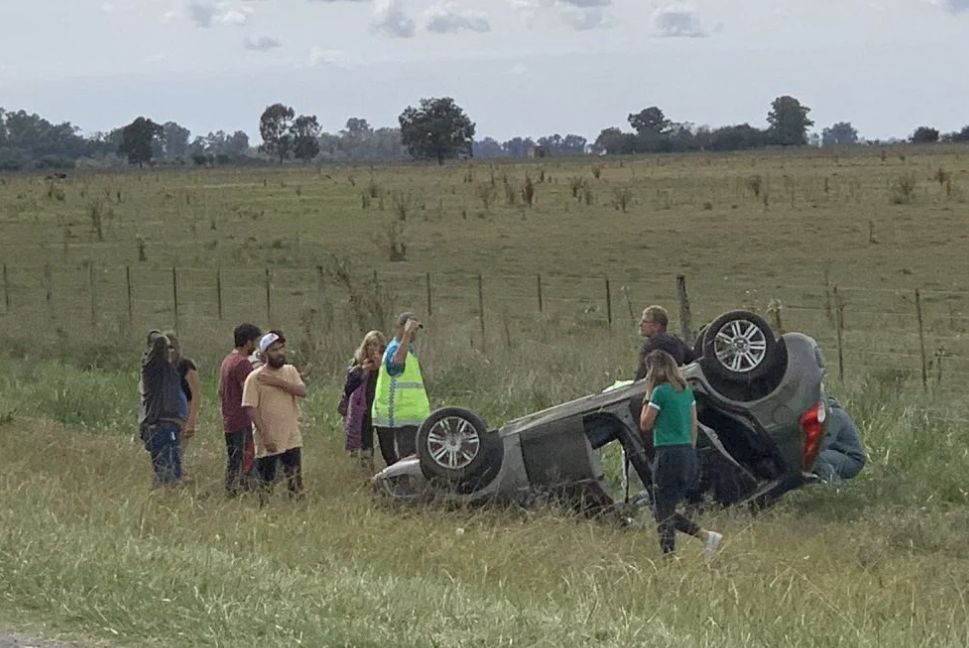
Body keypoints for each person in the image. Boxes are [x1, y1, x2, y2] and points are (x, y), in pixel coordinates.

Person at [639, 349, 722, 557]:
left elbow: (645, 424)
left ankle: (683, 547)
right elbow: (693, 425)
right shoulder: (685, 392)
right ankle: (699, 539)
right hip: (687, 452)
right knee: (667, 508)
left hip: (668, 453)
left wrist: (646, 396)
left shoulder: (659, 392)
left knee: (662, 510)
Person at [242, 330, 307, 500]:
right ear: (265, 354)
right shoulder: (254, 378)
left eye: (281, 349)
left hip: (291, 437)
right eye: (274, 350)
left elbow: (302, 391)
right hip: (268, 440)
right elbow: (250, 408)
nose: (279, 353)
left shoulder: (290, 371)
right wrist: (265, 435)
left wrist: (276, 382)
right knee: (266, 485)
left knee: (295, 482)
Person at [372, 312, 431, 464]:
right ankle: (402, 486)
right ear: (401, 328)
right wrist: (405, 336)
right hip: (399, 415)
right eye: (412, 329)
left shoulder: (408, 350)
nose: (414, 334)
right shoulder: (395, 349)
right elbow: (396, 366)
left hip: (411, 415)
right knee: (407, 460)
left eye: (415, 331)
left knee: (413, 458)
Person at [218, 323, 262, 496]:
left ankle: (231, 491)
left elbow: (220, 390)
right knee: (245, 459)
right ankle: (240, 491)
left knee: (234, 459)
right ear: (248, 342)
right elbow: (249, 392)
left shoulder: (227, 360)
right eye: (255, 342)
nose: (256, 347)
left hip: (229, 418)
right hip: (242, 419)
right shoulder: (242, 364)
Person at [138, 330, 186, 486]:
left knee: (173, 471)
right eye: (167, 347)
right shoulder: (152, 367)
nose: (169, 351)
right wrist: (160, 338)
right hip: (160, 426)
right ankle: (165, 501)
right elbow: (157, 340)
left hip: (170, 426)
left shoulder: (168, 369)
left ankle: (167, 501)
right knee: (167, 472)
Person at [342, 330, 387, 470]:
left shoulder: (387, 364)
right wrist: (362, 372)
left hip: (382, 409)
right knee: (366, 445)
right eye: (370, 345)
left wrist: (382, 368)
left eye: (376, 345)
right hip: (363, 410)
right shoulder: (357, 363)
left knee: (386, 444)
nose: (373, 349)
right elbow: (348, 388)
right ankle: (367, 472)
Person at [164, 331, 200, 460]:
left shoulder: (185, 365)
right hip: (167, 413)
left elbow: (196, 394)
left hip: (185, 410)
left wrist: (192, 421)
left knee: (178, 451)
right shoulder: (162, 367)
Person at [812, 398, 866, 484]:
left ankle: (835, 489)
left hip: (852, 459)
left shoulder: (834, 414)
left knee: (814, 458)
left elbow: (823, 443)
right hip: (833, 453)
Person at [634, 305, 696, 381]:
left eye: (644, 321)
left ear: (656, 326)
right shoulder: (677, 341)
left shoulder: (650, 347)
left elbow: (641, 378)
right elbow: (693, 362)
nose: (640, 324)